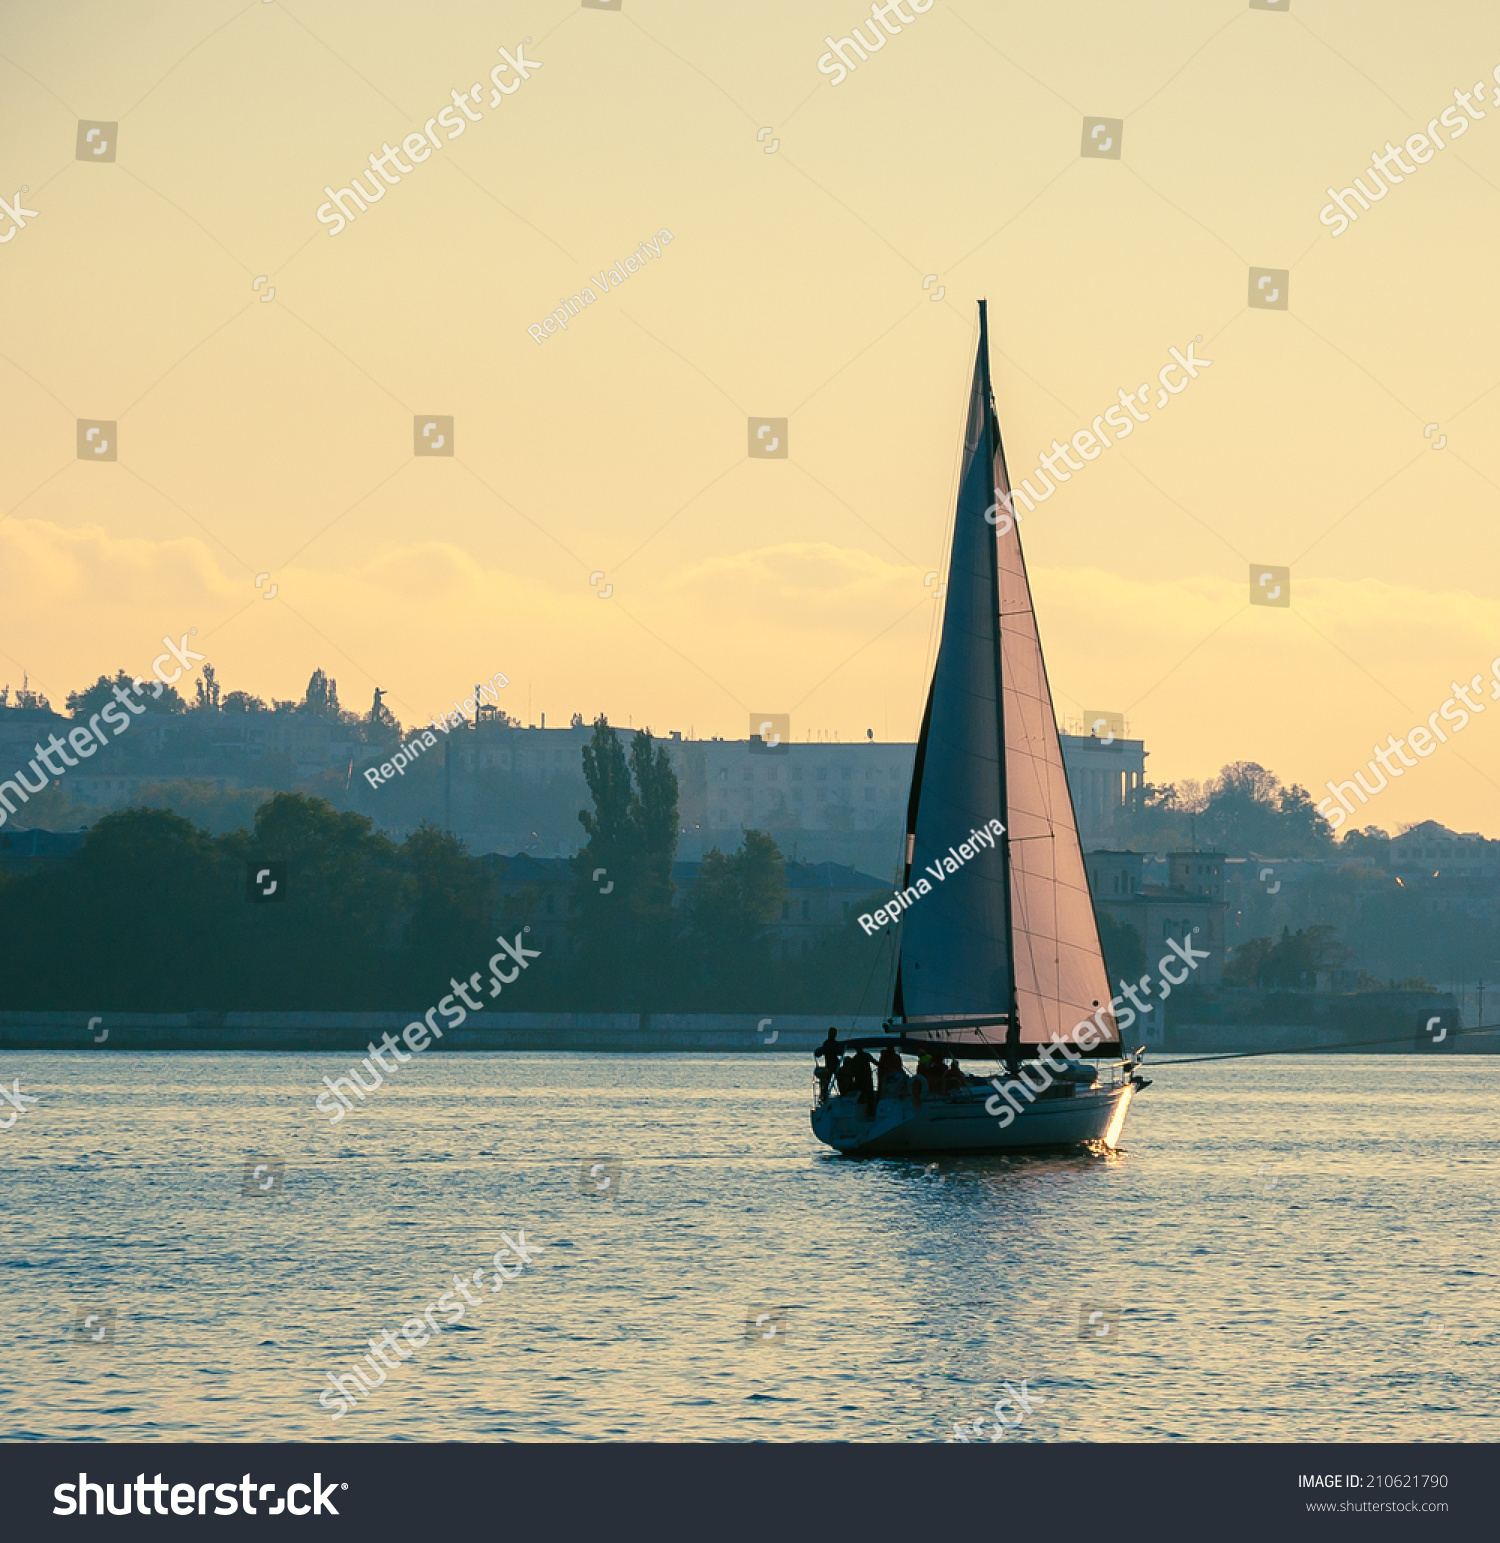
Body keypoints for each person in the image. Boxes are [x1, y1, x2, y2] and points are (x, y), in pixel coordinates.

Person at [815, 1028, 841, 1105]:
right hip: (832, 1065)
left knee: (828, 1082)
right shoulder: (834, 1043)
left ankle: (824, 1097)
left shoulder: (826, 1043)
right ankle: (824, 1097)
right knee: (829, 1082)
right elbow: (839, 1052)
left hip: (831, 1065)